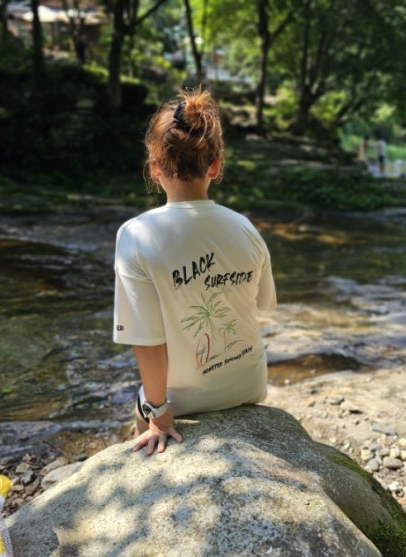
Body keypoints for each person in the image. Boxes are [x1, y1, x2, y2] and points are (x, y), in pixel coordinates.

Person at [112, 88, 277, 457]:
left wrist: (158, 415)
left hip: (183, 400)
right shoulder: (245, 228)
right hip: (249, 387)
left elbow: (146, 338)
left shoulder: (136, 234)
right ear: (215, 165)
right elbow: (263, 307)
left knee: (142, 411)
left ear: (155, 168)